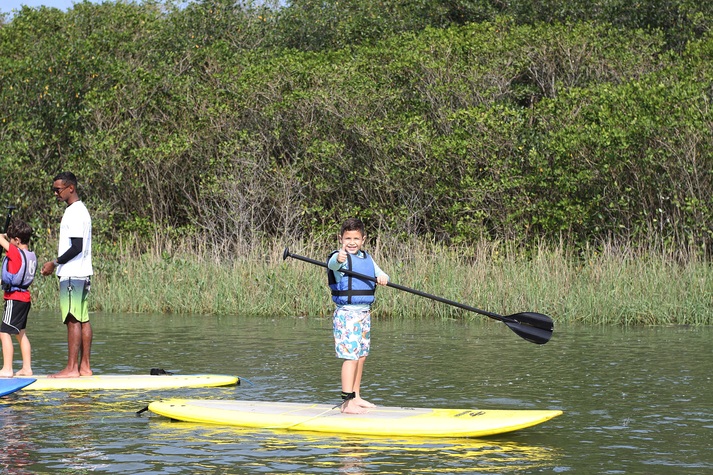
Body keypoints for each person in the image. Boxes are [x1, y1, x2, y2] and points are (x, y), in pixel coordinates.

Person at [327, 218, 389, 414]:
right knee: (351, 357)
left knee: (361, 357)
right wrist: (338, 259)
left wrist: (383, 278)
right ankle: (347, 403)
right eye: (347, 238)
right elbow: (333, 264)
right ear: (341, 239)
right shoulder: (339, 257)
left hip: (363, 314)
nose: (352, 242)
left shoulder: (367, 258)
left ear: (363, 239)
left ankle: (356, 396)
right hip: (347, 315)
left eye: (356, 238)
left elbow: (382, 274)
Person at [40, 172, 93, 378]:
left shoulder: (75, 212)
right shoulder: (81, 210)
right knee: (83, 319)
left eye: (58, 189)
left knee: (72, 320)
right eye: (53, 190)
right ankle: (84, 368)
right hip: (82, 273)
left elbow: (77, 247)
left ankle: (72, 369)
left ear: (71, 188)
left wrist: (54, 263)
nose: (55, 193)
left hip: (72, 274)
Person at [0, 219, 37, 377]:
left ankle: (7, 369)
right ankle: (27, 368)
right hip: (24, 299)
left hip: (14, 299)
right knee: (20, 333)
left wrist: (3, 236)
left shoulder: (15, 253)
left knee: (4, 332)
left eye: (11, 239)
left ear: (17, 240)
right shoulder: (29, 255)